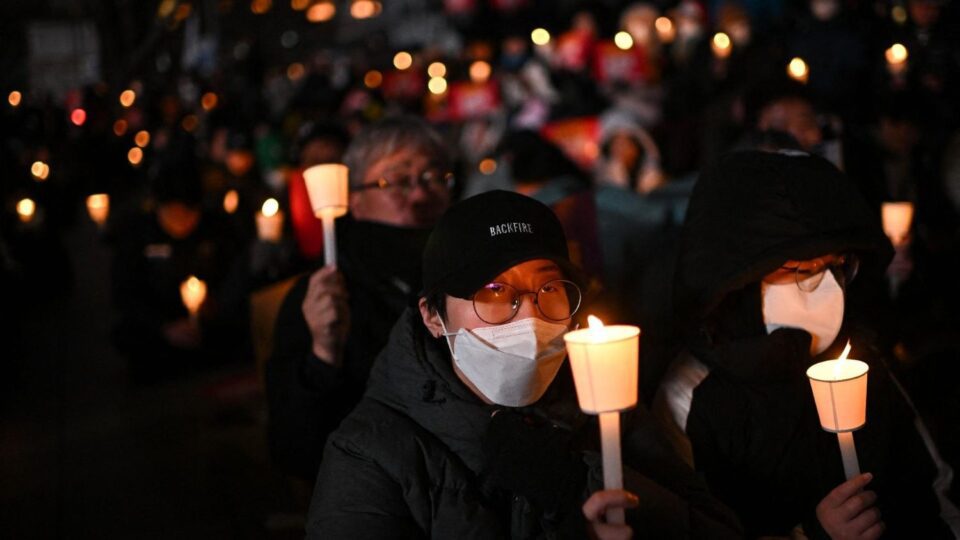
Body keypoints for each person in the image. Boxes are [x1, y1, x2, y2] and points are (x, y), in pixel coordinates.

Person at [307, 190, 742, 538]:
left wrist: (580, 480)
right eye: (495, 291)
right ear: (432, 316)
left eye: (550, 288)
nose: (530, 317)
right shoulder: (370, 453)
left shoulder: (606, 405)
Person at [652, 150, 955, 538]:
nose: (825, 285)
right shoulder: (691, 394)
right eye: (799, 270)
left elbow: (933, 484)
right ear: (738, 281)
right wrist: (810, 535)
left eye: (836, 265)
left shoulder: (858, 357)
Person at [265, 116, 454, 482]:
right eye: (395, 181)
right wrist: (323, 354)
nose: (418, 195)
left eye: (433, 178)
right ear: (354, 199)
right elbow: (293, 449)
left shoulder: (471, 274)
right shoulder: (322, 296)